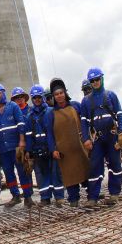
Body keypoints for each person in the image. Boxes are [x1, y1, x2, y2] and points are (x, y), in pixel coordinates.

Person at [80, 67, 122, 207]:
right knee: (95, 166)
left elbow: (119, 114)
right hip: (98, 139)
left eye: (97, 79)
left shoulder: (111, 95)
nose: (95, 82)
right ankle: (93, 198)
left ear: (102, 79)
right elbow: (84, 122)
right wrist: (86, 139)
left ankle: (114, 194)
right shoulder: (86, 101)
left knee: (115, 165)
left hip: (112, 136)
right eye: (92, 81)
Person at [45, 78, 89, 207]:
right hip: (64, 151)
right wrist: (53, 149)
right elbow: (49, 133)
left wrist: (87, 139)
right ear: (53, 96)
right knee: (70, 176)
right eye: (56, 94)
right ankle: (73, 199)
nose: (59, 96)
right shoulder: (50, 113)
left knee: (86, 171)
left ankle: (92, 194)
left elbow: (85, 124)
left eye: (61, 93)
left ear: (65, 93)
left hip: (80, 146)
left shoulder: (76, 105)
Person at [0, 84, 33, 208]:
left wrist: (22, 141)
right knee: (8, 173)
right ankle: (15, 196)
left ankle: (28, 196)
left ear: (3, 93)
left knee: (22, 171)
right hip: (2, 149)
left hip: (16, 146)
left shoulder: (13, 106)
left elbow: (21, 124)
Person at [25, 85, 64, 206]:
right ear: (32, 99)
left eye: (39, 97)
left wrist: (56, 147)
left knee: (55, 173)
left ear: (43, 97)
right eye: (34, 98)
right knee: (42, 175)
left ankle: (59, 197)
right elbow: (29, 135)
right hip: (38, 150)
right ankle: (45, 198)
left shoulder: (50, 112)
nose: (37, 100)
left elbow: (56, 131)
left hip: (51, 148)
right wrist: (29, 151)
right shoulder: (30, 116)